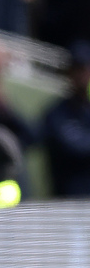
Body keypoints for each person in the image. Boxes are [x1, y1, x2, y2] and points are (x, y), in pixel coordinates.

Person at [42, 40, 90, 197]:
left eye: (84, 69)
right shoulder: (56, 113)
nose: (81, 75)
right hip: (68, 201)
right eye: (76, 69)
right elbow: (74, 148)